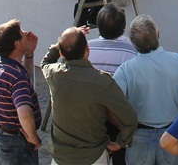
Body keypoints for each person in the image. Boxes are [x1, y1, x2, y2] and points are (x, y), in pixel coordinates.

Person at [113, 14, 178, 165]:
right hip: (173, 133)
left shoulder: (125, 70)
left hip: (139, 136)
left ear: (133, 42)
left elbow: (112, 105)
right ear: (158, 35)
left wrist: (124, 128)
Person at [41, 25, 138, 165]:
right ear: (87, 49)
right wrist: (119, 143)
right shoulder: (103, 82)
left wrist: (58, 45)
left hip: (60, 158)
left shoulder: (54, 74)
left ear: (62, 54)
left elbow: (45, 62)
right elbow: (130, 118)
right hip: (94, 157)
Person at [0, 19, 42, 164]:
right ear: (16, 44)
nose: (26, 33)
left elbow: (25, 81)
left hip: (0, 133)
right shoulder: (16, 76)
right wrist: (33, 137)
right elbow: (24, 113)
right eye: (22, 34)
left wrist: (29, 54)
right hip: (16, 142)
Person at [87, 3, 137, 165]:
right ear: (123, 27)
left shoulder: (87, 48)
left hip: (94, 115)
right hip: (120, 116)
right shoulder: (132, 50)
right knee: (120, 156)